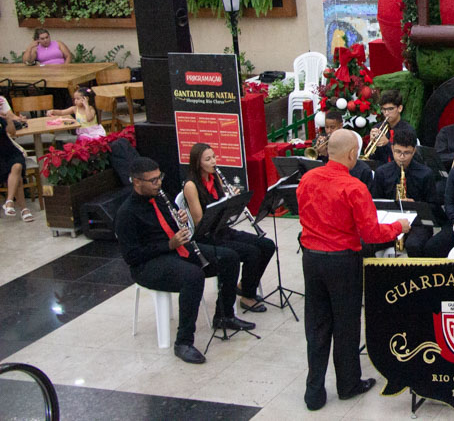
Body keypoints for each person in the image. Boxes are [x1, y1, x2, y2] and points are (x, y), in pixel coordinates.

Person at [298, 129, 410, 410]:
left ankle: (314, 391)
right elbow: (371, 233)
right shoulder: (353, 187)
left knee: (317, 323)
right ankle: (348, 384)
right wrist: (399, 227)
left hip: (311, 259)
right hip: (342, 260)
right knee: (346, 323)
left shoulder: (308, 178)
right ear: (351, 155)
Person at [114, 157, 253, 365]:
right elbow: (132, 256)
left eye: (159, 177)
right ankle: (183, 342)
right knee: (193, 276)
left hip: (177, 249)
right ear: (136, 182)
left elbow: (171, 227)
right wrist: (168, 245)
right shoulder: (126, 214)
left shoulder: (160, 197)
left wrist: (179, 220)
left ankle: (224, 315)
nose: (158, 183)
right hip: (149, 264)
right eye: (152, 181)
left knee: (229, 257)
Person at [183, 143, 276, 313]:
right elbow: (198, 221)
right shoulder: (191, 186)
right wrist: (221, 206)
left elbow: (227, 212)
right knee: (251, 252)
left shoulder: (215, 177)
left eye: (214, 157)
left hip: (223, 230)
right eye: (208, 159)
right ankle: (247, 296)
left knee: (267, 245)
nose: (213, 162)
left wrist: (231, 200)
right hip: (208, 236)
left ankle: (244, 285)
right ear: (197, 163)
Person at [371, 128, 439, 257]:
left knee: (414, 245)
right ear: (392, 149)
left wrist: (415, 205)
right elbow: (376, 202)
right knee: (367, 242)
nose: (401, 157)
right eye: (398, 152)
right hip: (390, 221)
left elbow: (434, 208)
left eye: (406, 153)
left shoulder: (425, 173)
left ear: (414, 151)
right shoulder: (382, 172)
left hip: (417, 224)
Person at [314, 110, 375, 193]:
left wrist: (327, 155)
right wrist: (322, 155)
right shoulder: (322, 139)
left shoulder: (362, 170)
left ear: (340, 126)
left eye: (332, 127)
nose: (328, 131)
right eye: (326, 127)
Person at [368, 89, 417, 167]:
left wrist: (387, 143)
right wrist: (372, 143)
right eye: (384, 109)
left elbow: (406, 157)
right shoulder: (377, 128)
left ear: (399, 108)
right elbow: (372, 158)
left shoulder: (408, 130)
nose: (386, 113)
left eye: (390, 109)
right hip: (380, 169)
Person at [1, 110, 32, 222]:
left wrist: (9, 119)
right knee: (17, 175)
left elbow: (12, 132)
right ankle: (23, 209)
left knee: (17, 166)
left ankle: (9, 201)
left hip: (10, 151)